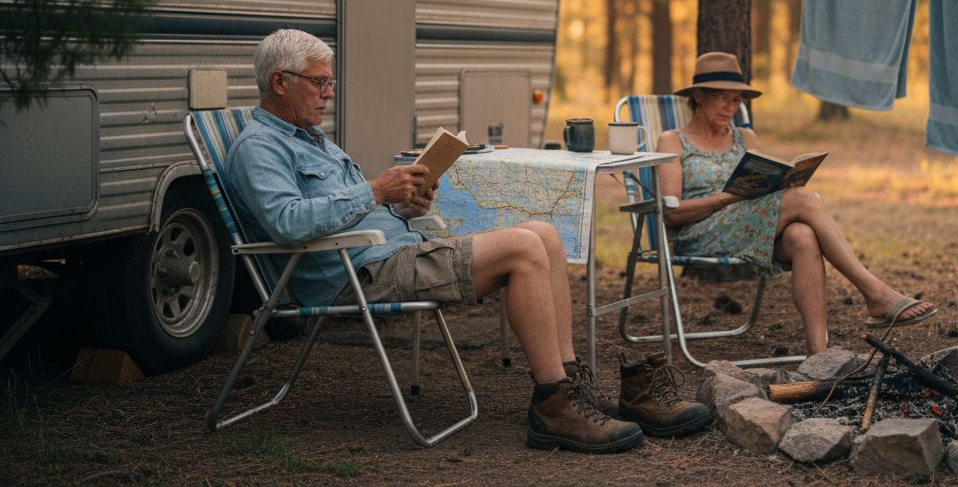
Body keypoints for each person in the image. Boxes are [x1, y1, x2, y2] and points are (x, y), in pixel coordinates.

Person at [225, 30, 708, 452]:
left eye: (330, 82)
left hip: (391, 252)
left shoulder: (312, 138)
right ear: (280, 82)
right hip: (355, 275)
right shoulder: (259, 147)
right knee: (523, 249)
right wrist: (374, 188)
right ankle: (553, 408)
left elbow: (346, 208)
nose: (328, 93)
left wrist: (403, 204)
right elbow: (287, 222)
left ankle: (570, 389)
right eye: (319, 82)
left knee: (544, 234)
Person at [656, 52, 938, 356]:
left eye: (737, 100)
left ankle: (818, 354)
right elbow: (672, 214)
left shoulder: (745, 138)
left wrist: (781, 184)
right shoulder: (672, 141)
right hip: (700, 235)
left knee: (802, 236)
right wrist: (731, 197)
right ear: (698, 96)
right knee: (804, 200)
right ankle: (874, 293)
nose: (731, 107)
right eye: (723, 98)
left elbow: (761, 183)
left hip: (748, 229)